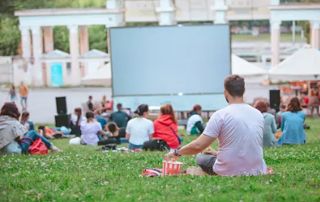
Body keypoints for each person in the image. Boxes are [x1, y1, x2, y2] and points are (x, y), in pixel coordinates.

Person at [166, 75, 267, 176]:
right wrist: (216, 153)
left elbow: (198, 146)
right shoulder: (258, 114)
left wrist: (177, 152)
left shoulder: (221, 115)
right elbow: (245, 146)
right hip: (257, 169)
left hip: (228, 169)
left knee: (200, 157)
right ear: (243, 91)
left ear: (226, 92)